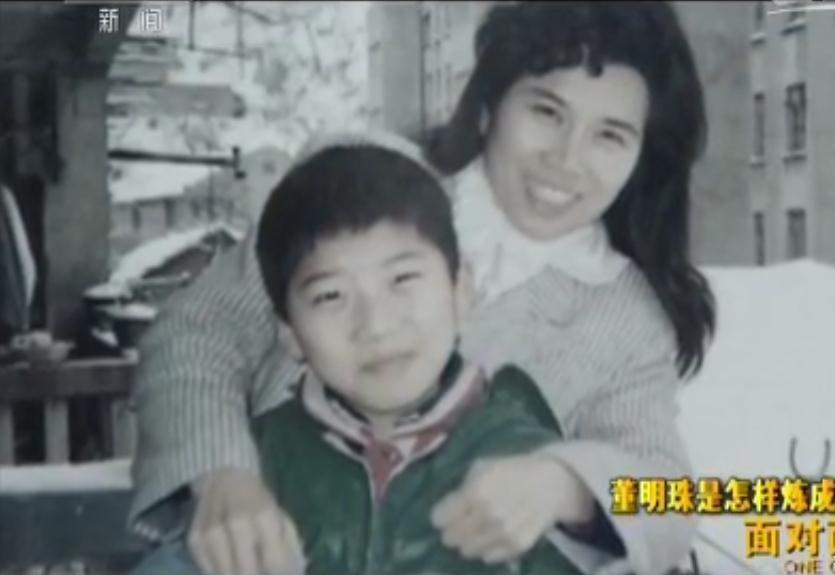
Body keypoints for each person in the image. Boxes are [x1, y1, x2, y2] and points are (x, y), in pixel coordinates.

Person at [129, 3, 715, 575]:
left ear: (641, 157)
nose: (566, 159)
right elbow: (197, 332)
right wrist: (222, 475)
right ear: (488, 106)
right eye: (546, 112)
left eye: (610, 136)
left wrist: (567, 485)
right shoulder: (364, 182)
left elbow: (670, 497)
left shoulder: (624, 316)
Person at [134, 138, 586, 575]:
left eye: (402, 280)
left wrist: (577, 490)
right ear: (290, 334)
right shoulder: (261, 463)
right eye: (331, 296)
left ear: (461, 290)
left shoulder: (522, 450)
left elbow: (637, 495)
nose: (376, 324)